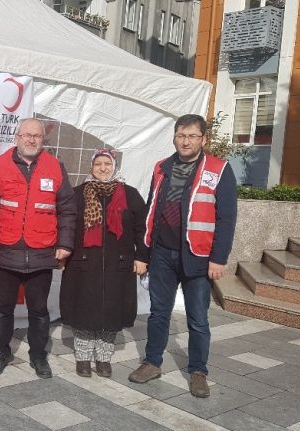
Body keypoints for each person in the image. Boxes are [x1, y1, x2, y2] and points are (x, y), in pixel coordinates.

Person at [128, 114, 237, 398]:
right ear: (174, 137)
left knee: (198, 319)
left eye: (191, 136)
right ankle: (152, 362)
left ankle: (198, 371)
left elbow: (226, 218)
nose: (185, 141)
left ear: (203, 139)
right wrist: (144, 253)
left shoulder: (219, 169)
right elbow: (152, 209)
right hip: (162, 254)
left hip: (198, 256)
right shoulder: (162, 167)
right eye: (181, 135)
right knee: (158, 313)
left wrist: (219, 258)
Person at [0, 118, 76, 379]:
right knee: (3, 309)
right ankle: (0, 352)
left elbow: (67, 209)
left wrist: (65, 243)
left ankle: (38, 355)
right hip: (5, 251)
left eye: (36, 136)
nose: (31, 139)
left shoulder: (55, 167)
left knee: (39, 310)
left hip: (41, 251)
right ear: (16, 137)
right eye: (26, 135)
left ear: (42, 140)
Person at [60, 149, 149, 378]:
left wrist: (142, 257)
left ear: (114, 166)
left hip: (118, 265)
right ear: (91, 167)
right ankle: (82, 358)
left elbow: (144, 229)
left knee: (111, 312)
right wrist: (61, 254)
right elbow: (65, 225)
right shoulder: (77, 194)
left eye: (106, 164)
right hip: (83, 263)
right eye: (98, 164)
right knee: (83, 310)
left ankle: (103, 359)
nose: (102, 168)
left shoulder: (130, 195)